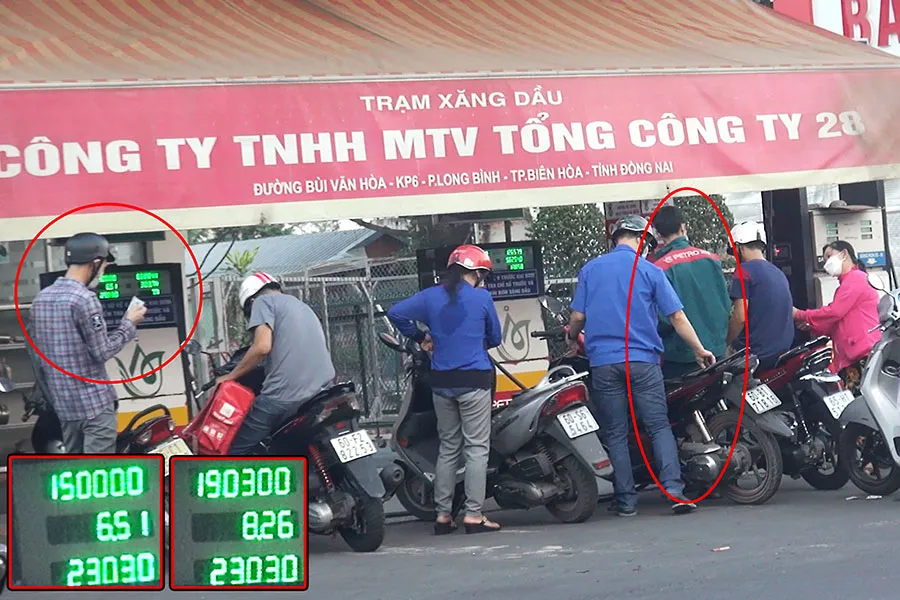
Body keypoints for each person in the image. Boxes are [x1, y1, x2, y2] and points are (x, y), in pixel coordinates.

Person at [567, 215, 715, 517]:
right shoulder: (649, 270)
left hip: (604, 363)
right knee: (658, 426)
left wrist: (571, 338)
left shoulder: (591, 270)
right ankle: (674, 491)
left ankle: (626, 501)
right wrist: (699, 349)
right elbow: (677, 317)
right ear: (640, 240)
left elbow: (578, 318)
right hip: (643, 361)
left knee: (616, 433)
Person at [387, 245, 503, 535]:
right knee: (476, 448)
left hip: (441, 384)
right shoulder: (481, 297)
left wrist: (421, 336)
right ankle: (474, 515)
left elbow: (395, 313)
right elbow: (495, 338)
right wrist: (475, 342)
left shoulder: (430, 296)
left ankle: (442, 515)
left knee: (449, 447)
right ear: (477, 273)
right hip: (474, 381)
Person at [30, 233, 147, 453]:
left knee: (76, 468)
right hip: (94, 405)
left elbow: (39, 357)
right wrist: (129, 323)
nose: (103, 272)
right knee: (99, 469)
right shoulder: (84, 299)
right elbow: (102, 351)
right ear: (95, 263)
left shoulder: (41, 299)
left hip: (64, 406)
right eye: (104, 266)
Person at [220, 272, 337, 455]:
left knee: (232, 450)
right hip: (322, 391)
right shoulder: (301, 306)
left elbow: (261, 347)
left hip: (285, 396)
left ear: (251, 302)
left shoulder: (261, 302)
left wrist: (230, 376)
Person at [651, 205, 731, 380]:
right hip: (717, 351)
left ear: (658, 234)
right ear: (683, 227)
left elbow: (663, 319)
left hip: (681, 358)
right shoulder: (712, 259)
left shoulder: (659, 268)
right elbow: (726, 305)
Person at [793, 241, 881, 394]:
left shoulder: (855, 278)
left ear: (843, 254)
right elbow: (836, 323)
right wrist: (811, 325)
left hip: (861, 354)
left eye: (829, 256)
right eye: (824, 260)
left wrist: (800, 314)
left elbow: (834, 312)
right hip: (854, 356)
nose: (826, 263)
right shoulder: (849, 282)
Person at [725, 221, 795, 370]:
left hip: (756, 354)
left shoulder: (744, 271)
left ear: (739, 248)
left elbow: (740, 317)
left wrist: (726, 342)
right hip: (782, 351)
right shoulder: (777, 272)